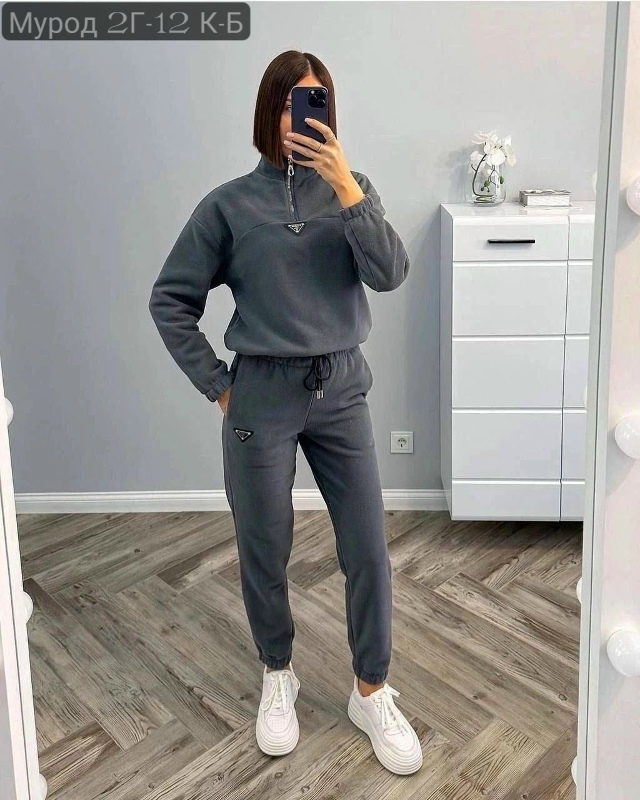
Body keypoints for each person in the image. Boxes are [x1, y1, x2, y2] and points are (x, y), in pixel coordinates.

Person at [148, 50, 422, 775]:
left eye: (317, 101)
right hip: (261, 396)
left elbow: (391, 273)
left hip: (342, 389)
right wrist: (219, 385)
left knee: (366, 546)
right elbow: (170, 299)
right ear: (269, 112)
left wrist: (346, 186)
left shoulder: (354, 189)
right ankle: (278, 673)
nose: (305, 116)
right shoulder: (229, 206)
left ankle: (372, 690)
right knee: (263, 545)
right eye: (293, 102)